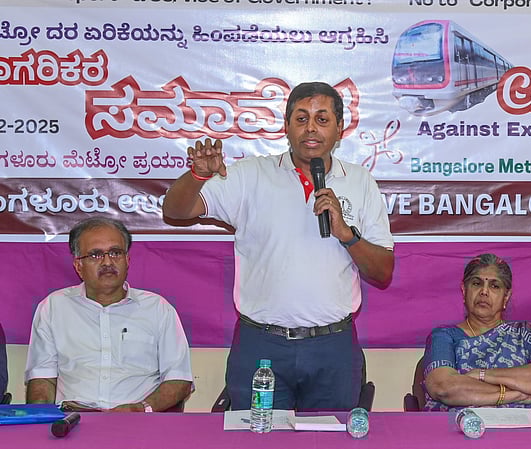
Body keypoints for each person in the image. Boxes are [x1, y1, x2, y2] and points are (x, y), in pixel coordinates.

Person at [162, 81, 394, 411]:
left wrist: (347, 234)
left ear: (340, 128)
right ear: (286, 127)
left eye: (322, 119)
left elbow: (383, 271)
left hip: (333, 347)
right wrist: (197, 176)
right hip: (262, 346)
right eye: (301, 119)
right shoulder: (249, 176)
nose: (311, 128)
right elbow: (176, 211)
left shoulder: (360, 182)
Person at [24, 218, 193, 412]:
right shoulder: (53, 307)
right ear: (78, 265)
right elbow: (42, 379)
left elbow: (179, 379)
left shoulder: (158, 309)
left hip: (139, 421)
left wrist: (142, 408)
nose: (107, 262)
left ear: (128, 260)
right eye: (95, 255)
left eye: (115, 253)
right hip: (73, 420)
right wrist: (38, 424)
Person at [422, 253, 531, 411]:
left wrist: (482, 375)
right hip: (462, 427)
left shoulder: (528, 335)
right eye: (476, 283)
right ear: (464, 290)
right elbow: (444, 387)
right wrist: (512, 395)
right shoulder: (444, 337)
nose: (484, 292)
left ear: (506, 296)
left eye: (494, 286)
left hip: (527, 429)